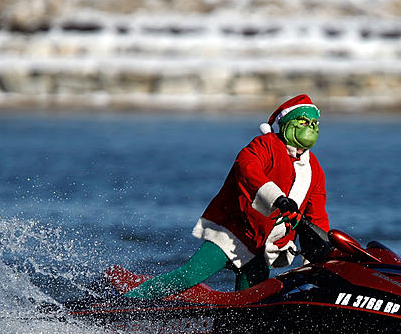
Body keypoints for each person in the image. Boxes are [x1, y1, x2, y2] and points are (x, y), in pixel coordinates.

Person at [124, 94, 331, 299]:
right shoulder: (264, 146)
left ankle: (233, 332)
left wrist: (316, 261)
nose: (310, 127)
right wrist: (276, 197)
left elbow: (317, 217)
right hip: (232, 234)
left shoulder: (314, 170)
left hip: (261, 250)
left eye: (314, 123)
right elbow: (248, 170)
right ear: (287, 123)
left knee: (251, 301)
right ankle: (128, 303)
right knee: (188, 277)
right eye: (304, 121)